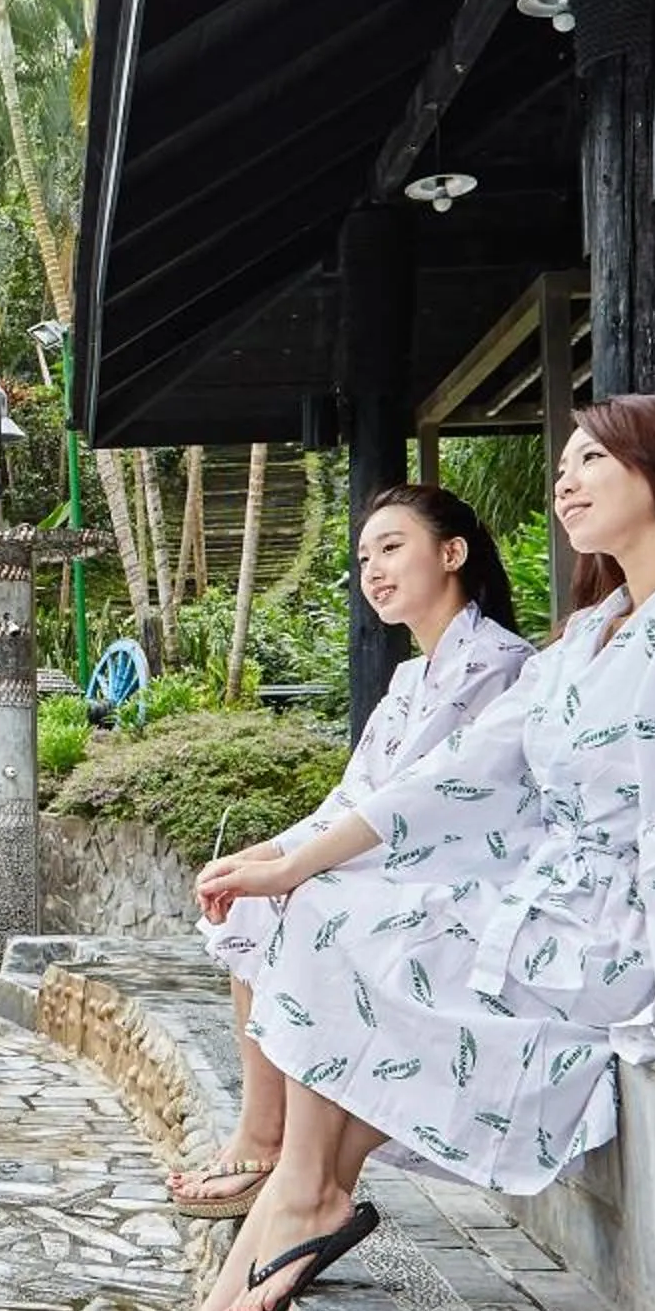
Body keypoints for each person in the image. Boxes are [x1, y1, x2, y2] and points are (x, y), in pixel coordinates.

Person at [87, 394, 655, 1311]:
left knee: (339, 949)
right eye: (563, 462)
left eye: (594, 457)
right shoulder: (590, 632)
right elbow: (461, 774)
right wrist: (294, 857)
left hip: (615, 933)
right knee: (318, 921)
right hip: (533, 912)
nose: (567, 478)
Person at [166, 485, 534, 1221]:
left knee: (310, 901)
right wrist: (263, 853)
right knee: (254, 903)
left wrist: (294, 867)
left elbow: (424, 800)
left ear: (452, 554)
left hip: (473, 872)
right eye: (365, 556)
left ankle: (293, 1159)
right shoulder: (408, 679)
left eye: (393, 547)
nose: (374, 570)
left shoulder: (499, 664)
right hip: (403, 857)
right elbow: (354, 794)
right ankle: (261, 1131)